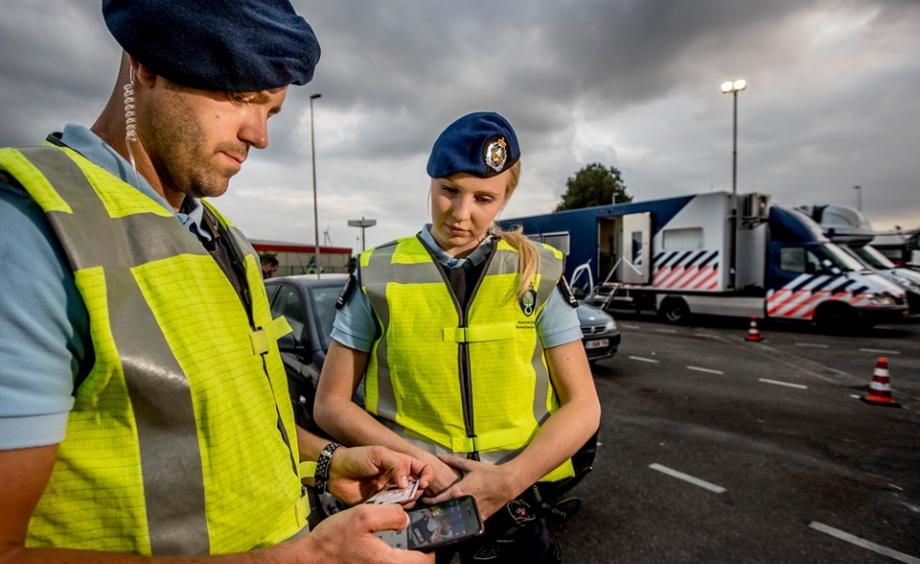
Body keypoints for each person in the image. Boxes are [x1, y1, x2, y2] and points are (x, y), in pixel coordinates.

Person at [0, 1, 434, 563]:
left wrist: (327, 462)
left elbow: (219, 427)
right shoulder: (32, 231)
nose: (259, 135)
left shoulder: (220, 237)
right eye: (239, 96)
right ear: (147, 65)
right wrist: (305, 559)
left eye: (271, 110)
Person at [314, 112, 602, 563]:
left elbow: (584, 405)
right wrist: (424, 464)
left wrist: (507, 480)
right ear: (430, 181)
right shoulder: (376, 271)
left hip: (515, 509)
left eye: (484, 198)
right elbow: (330, 403)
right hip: (411, 507)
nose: (462, 214)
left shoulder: (538, 271)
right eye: (449, 190)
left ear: (505, 200)